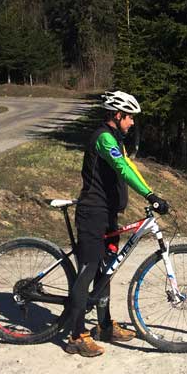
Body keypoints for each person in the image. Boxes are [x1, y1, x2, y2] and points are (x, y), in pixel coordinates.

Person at [65, 90, 169, 357]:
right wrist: (149, 196)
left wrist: (151, 193)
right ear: (117, 114)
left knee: (107, 270)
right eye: (130, 117)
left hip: (108, 214)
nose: (132, 122)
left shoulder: (116, 140)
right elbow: (121, 168)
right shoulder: (103, 138)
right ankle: (76, 335)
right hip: (92, 213)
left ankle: (104, 326)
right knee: (88, 270)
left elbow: (129, 167)